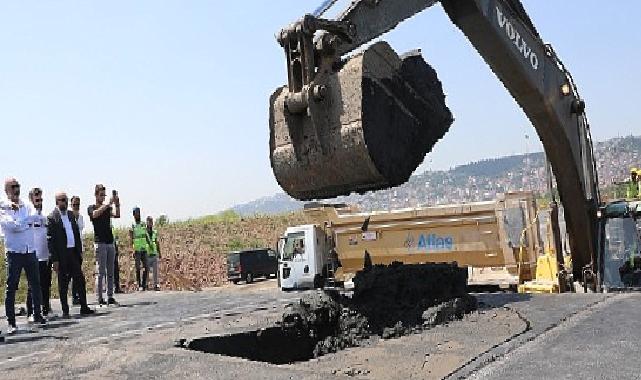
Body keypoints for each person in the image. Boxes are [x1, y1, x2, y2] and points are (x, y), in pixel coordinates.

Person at [0, 178, 46, 333]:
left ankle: (37, 315)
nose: (16, 189)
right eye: (13, 187)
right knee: (11, 287)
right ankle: (12, 322)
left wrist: (22, 222)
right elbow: (12, 226)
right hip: (14, 252)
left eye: (18, 186)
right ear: (6, 190)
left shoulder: (26, 205)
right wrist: (25, 223)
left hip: (29, 250)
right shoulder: (3, 208)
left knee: (35, 284)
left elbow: (37, 217)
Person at [48, 192, 95, 317]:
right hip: (61, 255)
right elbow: (50, 240)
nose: (64, 202)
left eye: (65, 200)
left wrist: (79, 250)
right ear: (57, 202)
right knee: (63, 284)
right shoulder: (52, 217)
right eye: (62, 200)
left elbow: (75, 233)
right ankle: (65, 310)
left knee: (80, 279)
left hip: (73, 253)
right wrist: (55, 260)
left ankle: (84, 307)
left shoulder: (70, 215)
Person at [88, 184, 120, 305]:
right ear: (96, 195)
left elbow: (117, 215)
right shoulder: (91, 208)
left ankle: (110, 296)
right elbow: (95, 214)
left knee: (110, 271)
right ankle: (99, 297)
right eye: (101, 195)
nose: (102, 197)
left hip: (109, 241)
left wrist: (117, 203)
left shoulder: (107, 208)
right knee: (100, 272)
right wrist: (107, 204)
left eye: (104, 195)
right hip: (100, 242)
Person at [26, 188, 52, 318]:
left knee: (46, 283)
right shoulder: (29, 214)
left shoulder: (44, 215)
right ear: (31, 199)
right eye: (37, 198)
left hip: (45, 255)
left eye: (41, 198)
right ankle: (31, 311)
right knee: (33, 284)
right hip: (33, 255)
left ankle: (45, 309)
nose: (39, 201)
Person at [130, 207, 149, 291]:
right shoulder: (132, 226)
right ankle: (139, 284)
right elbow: (131, 239)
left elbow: (146, 235)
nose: (138, 214)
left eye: (139, 212)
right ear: (134, 215)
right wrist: (132, 249)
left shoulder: (143, 224)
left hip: (144, 248)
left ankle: (144, 284)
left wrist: (149, 244)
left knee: (146, 267)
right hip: (137, 249)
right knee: (138, 267)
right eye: (136, 213)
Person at [70, 196, 84, 306]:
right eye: (74, 205)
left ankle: (77, 295)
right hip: (70, 248)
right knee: (71, 275)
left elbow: (80, 229)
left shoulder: (81, 217)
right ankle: (73, 296)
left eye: (78, 205)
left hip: (79, 247)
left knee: (78, 274)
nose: (76, 207)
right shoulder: (68, 217)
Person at [146, 216, 161, 291]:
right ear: (147, 222)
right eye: (149, 221)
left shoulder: (155, 232)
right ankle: (146, 285)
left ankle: (156, 285)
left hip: (154, 254)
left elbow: (157, 242)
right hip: (147, 254)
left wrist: (159, 253)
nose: (150, 223)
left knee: (155, 271)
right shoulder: (145, 232)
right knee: (146, 271)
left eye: (151, 221)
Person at [113, 228, 123, 293]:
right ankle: (114, 287)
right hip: (109, 251)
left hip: (114, 251)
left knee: (116, 270)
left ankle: (117, 287)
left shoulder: (112, 228)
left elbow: (115, 241)